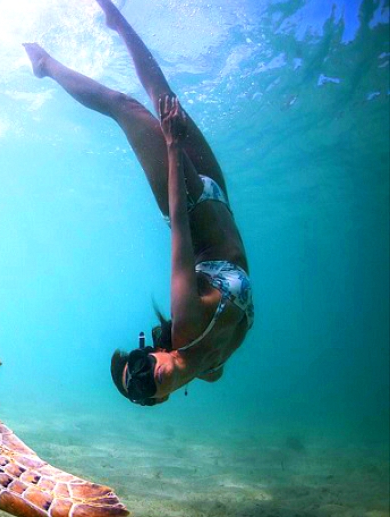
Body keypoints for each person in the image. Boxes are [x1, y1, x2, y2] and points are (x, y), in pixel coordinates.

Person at [24, 0, 253, 406]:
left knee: (126, 107)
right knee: (163, 98)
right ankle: (98, 30)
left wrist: (171, 145)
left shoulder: (186, 324)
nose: (150, 375)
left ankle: (53, 61)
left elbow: (180, 231)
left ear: (150, 352)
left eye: (140, 366)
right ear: (160, 400)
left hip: (190, 208)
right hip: (220, 199)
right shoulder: (212, 371)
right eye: (146, 387)